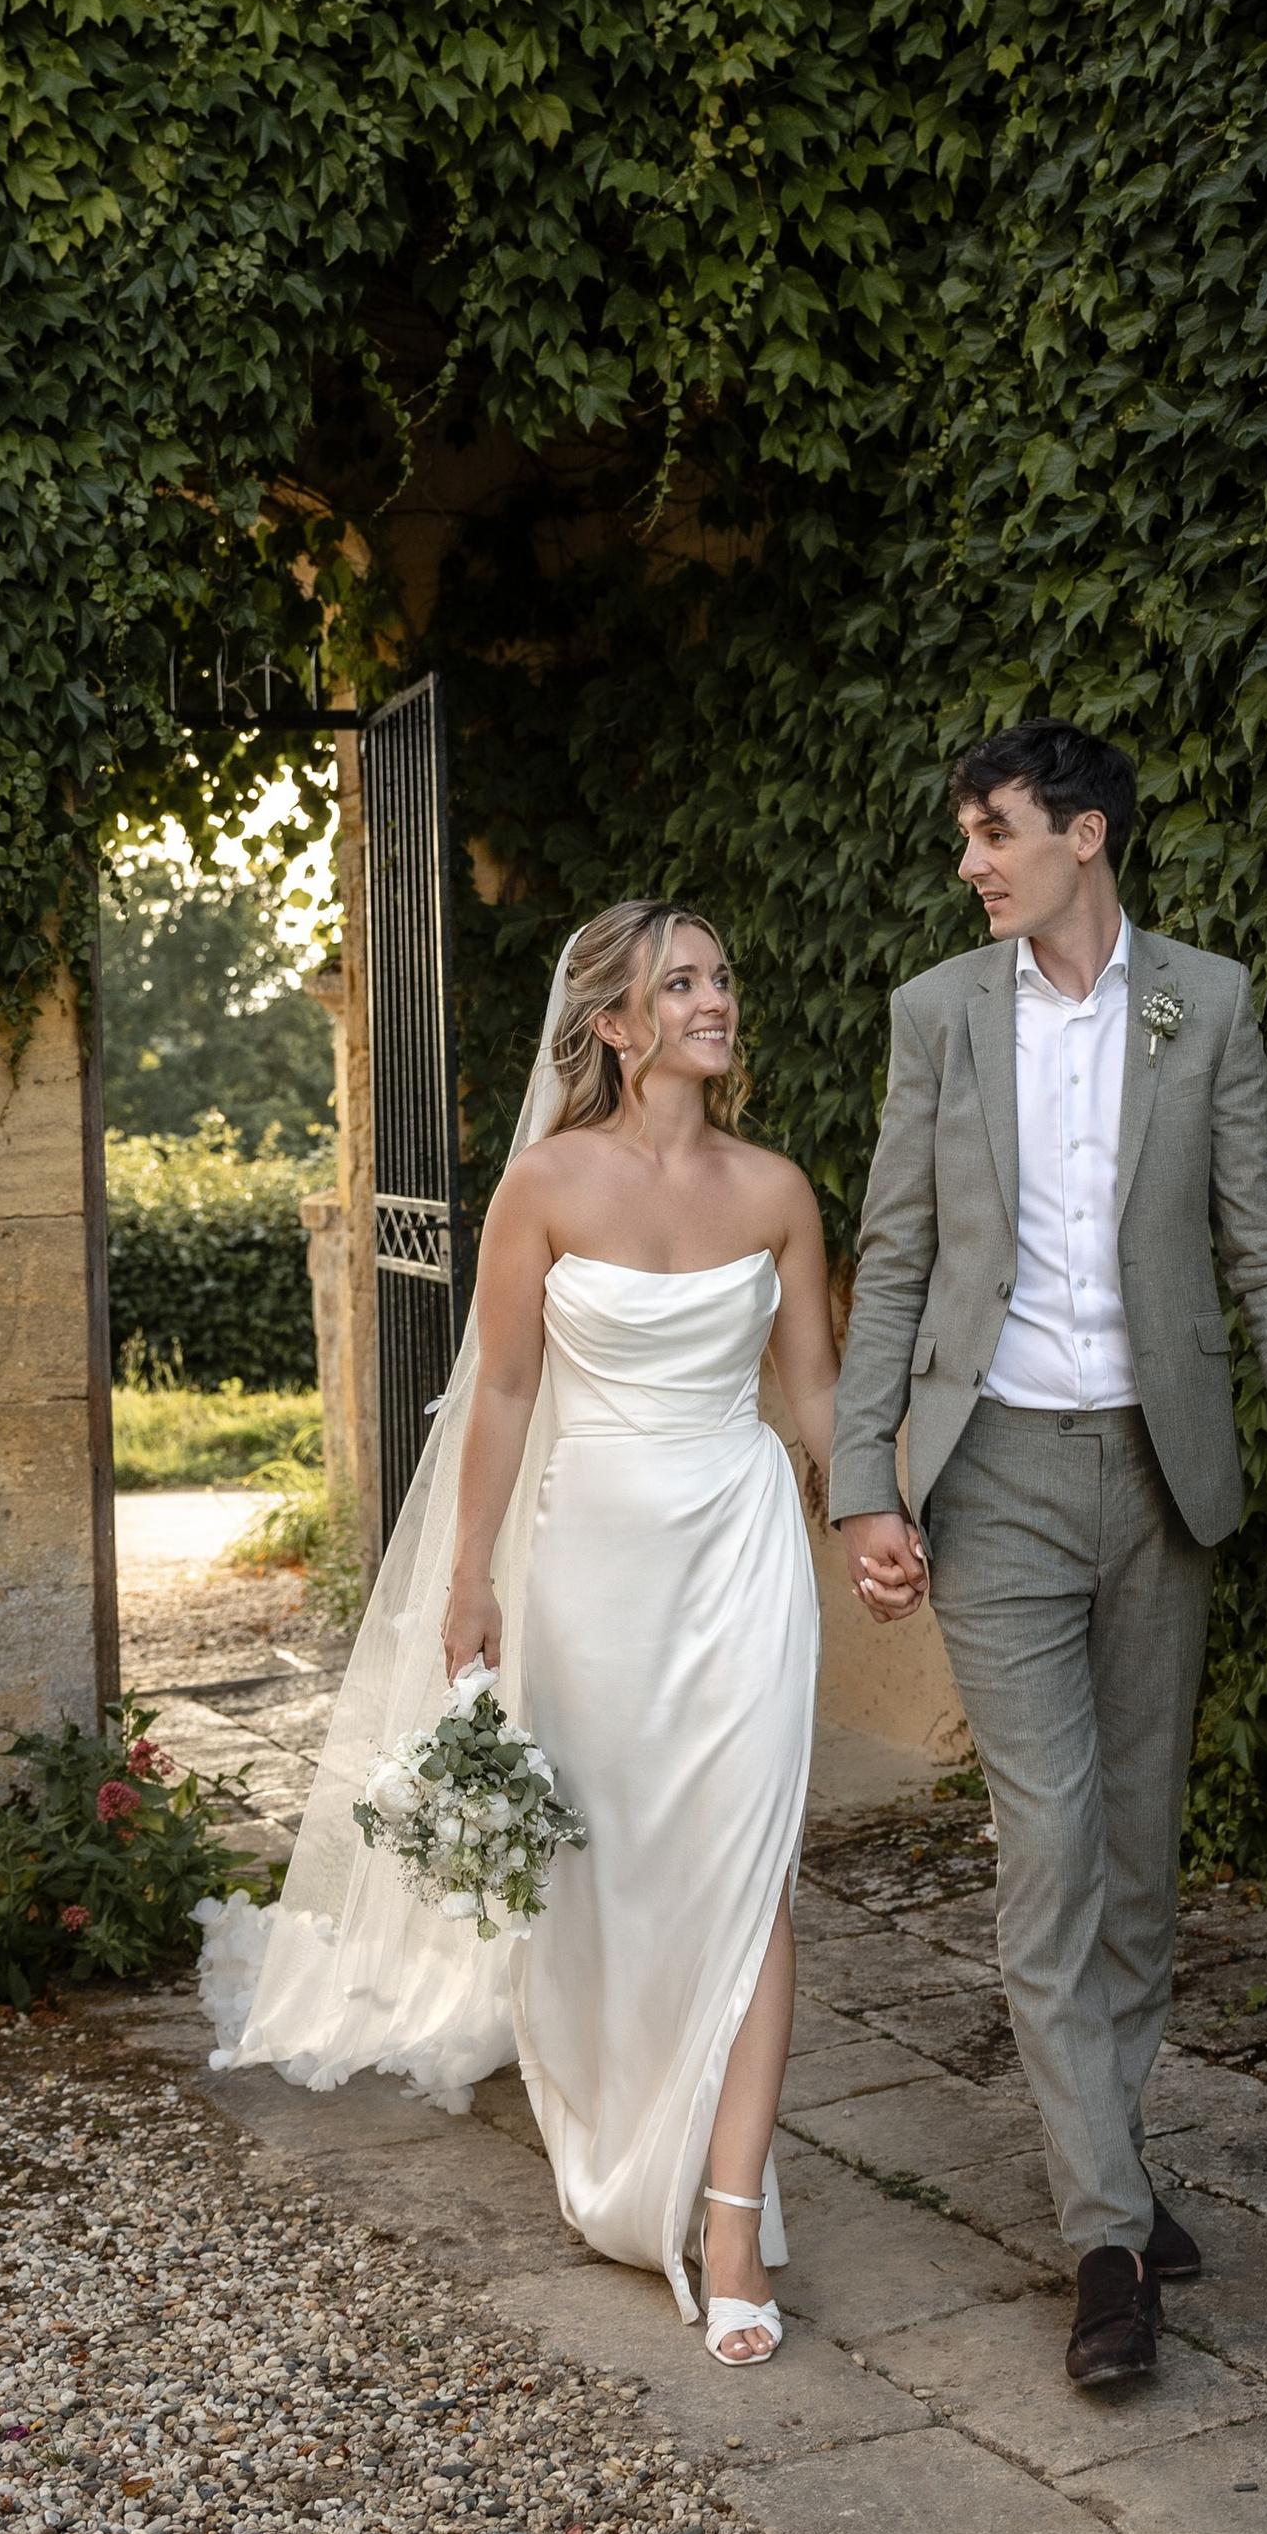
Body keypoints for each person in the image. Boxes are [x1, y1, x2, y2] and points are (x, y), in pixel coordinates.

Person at [203, 902, 832, 2368]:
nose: (716, 999)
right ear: (616, 1026)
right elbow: (496, 1393)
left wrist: (878, 1514)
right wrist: (470, 1577)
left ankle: (730, 2215)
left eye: (723, 974)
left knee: (750, 1873)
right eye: (683, 982)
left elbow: (814, 1393)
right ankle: (623, 2125)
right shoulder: (545, 1187)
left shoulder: (780, 1191)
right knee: (608, 1871)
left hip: (741, 1551)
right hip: (595, 1558)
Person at [829, 722, 1267, 2388]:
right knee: (1049, 1849)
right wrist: (866, 1483)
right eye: (967, 837)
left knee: (1138, 1857)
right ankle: (1107, 2249)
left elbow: (1264, 1246)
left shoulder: (1207, 1001)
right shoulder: (938, 1018)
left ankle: (1106, 2164)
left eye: (994, 832)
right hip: (991, 1484)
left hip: (1163, 1478)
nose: (972, 862)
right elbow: (894, 1256)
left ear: (1086, 835)